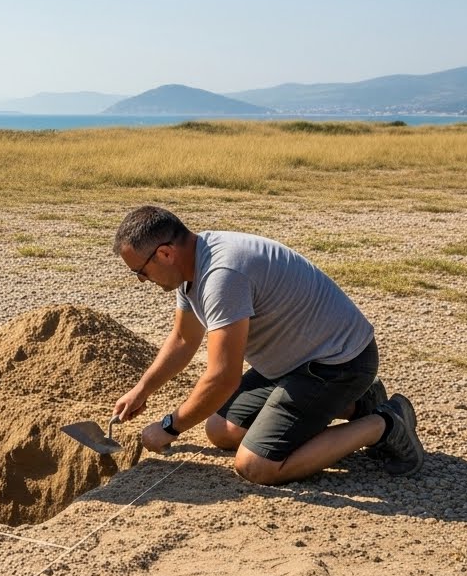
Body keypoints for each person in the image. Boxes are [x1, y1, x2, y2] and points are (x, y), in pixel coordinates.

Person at [110, 206, 424, 484]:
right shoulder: (191, 264)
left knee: (256, 465)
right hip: (295, 363)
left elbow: (222, 378)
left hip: (338, 364)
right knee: (219, 430)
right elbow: (182, 339)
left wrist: (170, 426)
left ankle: (385, 423)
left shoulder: (222, 275)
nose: (142, 279)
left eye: (141, 271)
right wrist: (142, 390)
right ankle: (357, 402)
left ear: (165, 253)